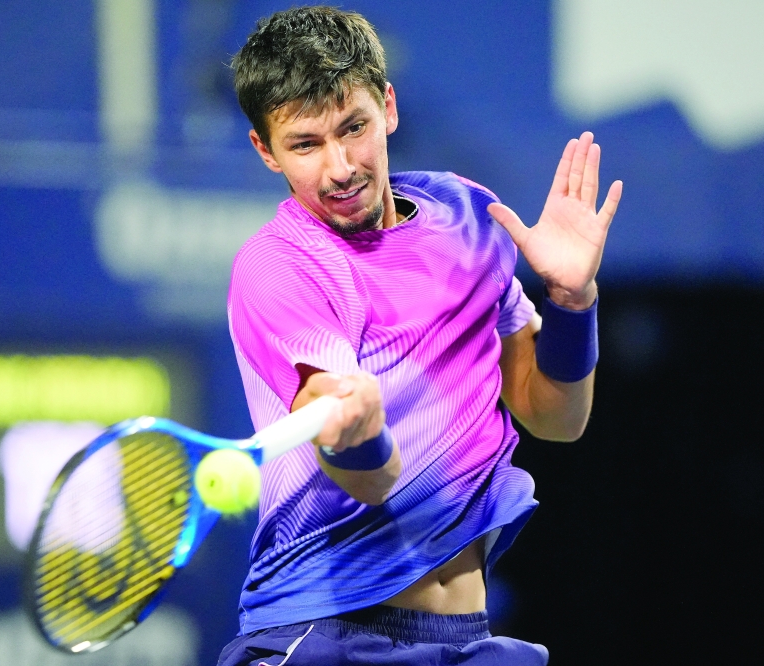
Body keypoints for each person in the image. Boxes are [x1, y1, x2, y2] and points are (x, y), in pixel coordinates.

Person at [220, 6, 622, 665]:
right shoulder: (279, 267)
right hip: (328, 637)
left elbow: (556, 414)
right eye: (305, 144)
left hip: (466, 641)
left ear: (388, 107)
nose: (340, 167)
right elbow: (371, 480)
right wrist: (358, 428)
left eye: (354, 128)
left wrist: (573, 302)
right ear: (265, 150)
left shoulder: (466, 214)